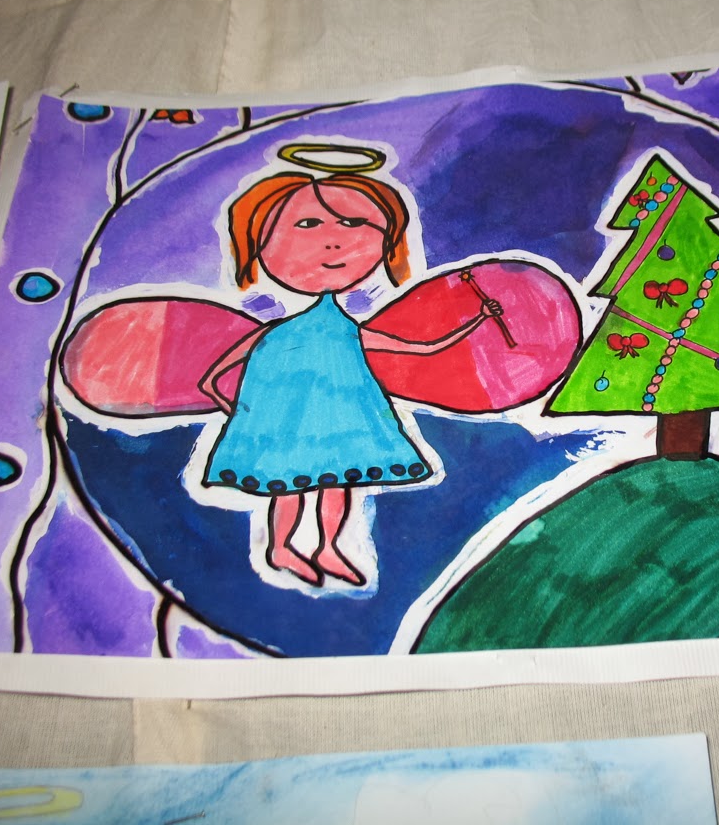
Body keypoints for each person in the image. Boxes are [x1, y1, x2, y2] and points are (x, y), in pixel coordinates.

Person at [198, 171, 499, 587]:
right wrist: (247, 416)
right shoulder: (276, 335)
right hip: (292, 434)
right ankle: (282, 547)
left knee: (339, 483)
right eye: (307, 224)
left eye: (353, 223)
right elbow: (212, 380)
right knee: (290, 485)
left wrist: (477, 320)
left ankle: (328, 548)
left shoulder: (346, 330)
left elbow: (422, 348)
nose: (333, 241)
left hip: (343, 432)